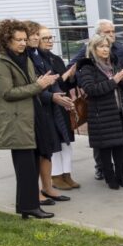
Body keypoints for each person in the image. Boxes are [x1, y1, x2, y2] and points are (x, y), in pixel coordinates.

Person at [0, 19, 58, 219]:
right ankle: (30, 207)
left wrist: (40, 84)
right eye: (18, 40)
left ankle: (27, 206)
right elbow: (7, 93)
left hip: (30, 118)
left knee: (32, 164)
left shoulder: (24, 58)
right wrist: (39, 85)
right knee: (25, 167)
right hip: (16, 122)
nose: (23, 43)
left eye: (24, 39)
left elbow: (29, 86)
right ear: (6, 40)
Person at [69, 19, 123, 179]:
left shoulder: (120, 50)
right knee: (102, 138)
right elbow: (73, 68)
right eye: (107, 32)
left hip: (119, 101)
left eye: (113, 31)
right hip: (100, 104)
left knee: (122, 135)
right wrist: (86, 82)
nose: (112, 35)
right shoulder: (87, 50)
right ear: (98, 35)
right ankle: (101, 168)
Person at [25, 21, 71, 206]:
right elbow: (32, 86)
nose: (37, 38)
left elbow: (50, 80)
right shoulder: (26, 57)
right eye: (34, 35)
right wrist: (52, 97)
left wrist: (58, 95)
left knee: (47, 150)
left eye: (38, 35)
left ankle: (47, 187)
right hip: (34, 109)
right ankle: (36, 192)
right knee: (36, 153)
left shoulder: (38, 55)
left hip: (47, 108)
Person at [35, 26, 79, 192]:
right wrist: (64, 77)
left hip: (62, 105)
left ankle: (67, 174)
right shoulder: (36, 60)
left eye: (50, 37)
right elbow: (46, 85)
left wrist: (72, 76)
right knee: (54, 142)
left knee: (66, 141)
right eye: (45, 38)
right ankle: (56, 176)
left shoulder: (55, 58)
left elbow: (65, 85)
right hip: (49, 106)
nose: (49, 41)